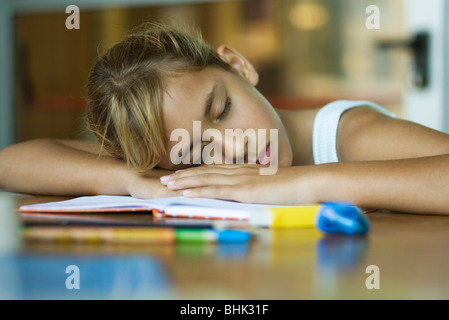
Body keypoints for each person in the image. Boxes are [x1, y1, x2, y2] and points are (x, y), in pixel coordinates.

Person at [1, 22, 449, 215]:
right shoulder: (174, 169)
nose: (235, 148)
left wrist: (302, 183)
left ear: (238, 67)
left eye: (223, 109)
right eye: (195, 151)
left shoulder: (348, 133)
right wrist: (134, 180)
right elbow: (11, 162)